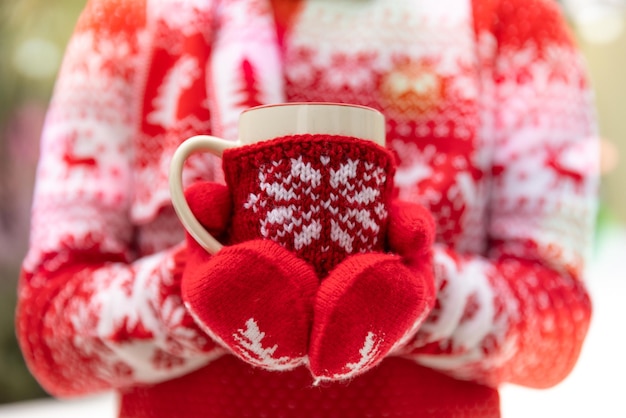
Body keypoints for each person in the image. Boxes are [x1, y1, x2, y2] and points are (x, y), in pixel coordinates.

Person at [15, 0, 599, 417]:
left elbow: (557, 329)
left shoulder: (511, 18)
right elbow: (49, 334)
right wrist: (196, 292)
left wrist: (418, 291)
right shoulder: (131, 19)